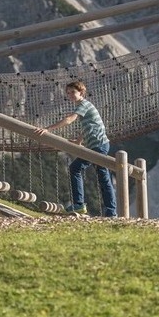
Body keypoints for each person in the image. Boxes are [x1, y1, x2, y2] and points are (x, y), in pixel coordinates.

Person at [34, 80, 117, 217]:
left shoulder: (83, 105)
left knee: (82, 170)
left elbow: (69, 120)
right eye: (68, 93)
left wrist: (47, 129)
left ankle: (84, 205)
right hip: (97, 145)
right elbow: (89, 126)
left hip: (98, 146)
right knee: (100, 176)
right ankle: (108, 211)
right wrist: (79, 141)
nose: (70, 95)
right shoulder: (84, 106)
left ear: (81, 92)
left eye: (73, 92)